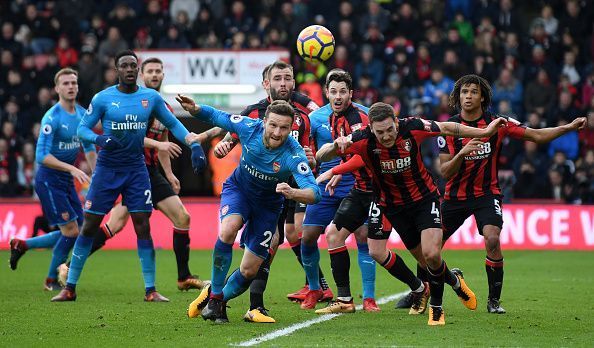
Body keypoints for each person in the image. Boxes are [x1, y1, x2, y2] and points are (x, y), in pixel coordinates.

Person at [316, 102, 506, 325]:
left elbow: (447, 128)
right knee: (426, 262)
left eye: (390, 129)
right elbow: (321, 156)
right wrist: (334, 147)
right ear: (372, 130)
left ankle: (436, 309)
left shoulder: (413, 126)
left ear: (396, 122)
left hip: (424, 200)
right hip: (393, 207)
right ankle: (455, 281)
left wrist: (484, 132)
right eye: (380, 132)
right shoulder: (360, 139)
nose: (386, 136)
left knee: (432, 254)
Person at [50, 50, 206, 302]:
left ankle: (151, 290)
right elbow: (82, 129)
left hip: (137, 171)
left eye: (134, 65)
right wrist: (100, 138)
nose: (130, 69)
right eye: (125, 66)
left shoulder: (150, 98)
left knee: (143, 226)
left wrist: (194, 144)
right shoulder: (103, 98)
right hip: (107, 170)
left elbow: (174, 125)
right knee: (90, 225)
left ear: (138, 69)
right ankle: (70, 288)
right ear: (117, 70)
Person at [438, 74, 587, 314]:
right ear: (458, 96)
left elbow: (536, 135)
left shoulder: (499, 123)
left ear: (482, 97)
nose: (468, 96)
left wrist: (568, 127)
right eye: (464, 92)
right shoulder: (448, 128)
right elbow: (445, 172)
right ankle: (429, 288)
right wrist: (463, 153)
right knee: (430, 249)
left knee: (493, 239)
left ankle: (493, 301)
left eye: (473, 92)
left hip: (487, 194)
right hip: (455, 196)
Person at [199, 61, 327, 322]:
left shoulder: (304, 114)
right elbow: (229, 132)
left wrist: (312, 160)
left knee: (276, 242)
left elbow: (308, 154)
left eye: (288, 78)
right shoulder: (252, 114)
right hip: (252, 187)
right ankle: (251, 304)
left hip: (287, 186)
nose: (283, 83)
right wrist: (222, 145)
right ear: (266, 83)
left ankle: (236, 300)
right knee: (253, 237)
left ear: (293, 82)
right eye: (277, 78)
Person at [8, 68, 97, 292]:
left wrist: (97, 176)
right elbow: (41, 156)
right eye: (65, 83)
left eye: (74, 83)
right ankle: (50, 280)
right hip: (48, 180)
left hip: (66, 179)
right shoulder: (52, 117)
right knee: (71, 232)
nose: (71, 87)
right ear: (57, 88)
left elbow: (88, 145)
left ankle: (23, 244)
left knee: (77, 229)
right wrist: (72, 167)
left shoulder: (82, 114)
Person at [298, 70, 378, 312]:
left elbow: (366, 150)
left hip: (356, 184)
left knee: (363, 236)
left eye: (343, 91)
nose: (338, 96)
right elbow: (308, 152)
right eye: (333, 91)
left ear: (350, 93)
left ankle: (369, 297)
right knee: (309, 236)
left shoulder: (363, 115)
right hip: (324, 186)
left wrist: (340, 171)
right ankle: (314, 289)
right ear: (326, 93)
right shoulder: (316, 118)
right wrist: (310, 163)